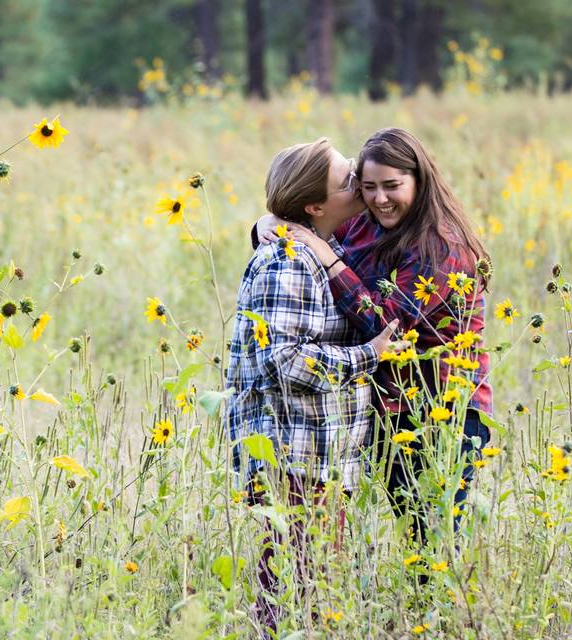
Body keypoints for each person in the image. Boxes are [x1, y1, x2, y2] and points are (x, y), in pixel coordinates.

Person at [253, 128, 493, 544]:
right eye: (368, 187)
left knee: (429, 541)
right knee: (344, 532)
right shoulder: (363, 226)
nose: (380, 198)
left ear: (419, 180)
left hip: (442, 412)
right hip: (383, 407)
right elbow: (309, 232)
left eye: (392, 186)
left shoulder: (442, 246)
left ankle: (430, 611)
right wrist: (270, 224)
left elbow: (386, 325)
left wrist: (327, 258)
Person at [225, 138, 398, 632]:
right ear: (315, 206)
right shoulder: (289, 262)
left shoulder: (325, 244)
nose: (363, 187)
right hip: (293, 452)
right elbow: (281, 359)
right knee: (296, 590)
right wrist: (369, 355)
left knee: (314, 585)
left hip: (319, 451)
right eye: (349, 181)